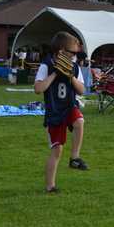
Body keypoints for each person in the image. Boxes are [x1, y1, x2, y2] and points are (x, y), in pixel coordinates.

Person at [34, 32, 88, 194]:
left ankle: (74, 158)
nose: (74, 56)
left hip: (69, 106)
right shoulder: (47, 65)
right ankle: (50, 186)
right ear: (61, 51)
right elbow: (38, 89)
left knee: (79, 121)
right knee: (57, 150)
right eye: (72, 52)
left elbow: (81, 90)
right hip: (54, 112)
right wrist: (56, 73)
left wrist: (70, 77)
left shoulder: (74, 66)